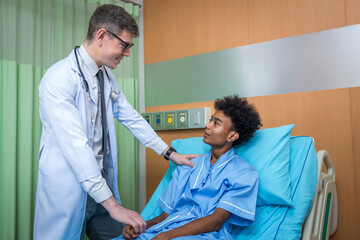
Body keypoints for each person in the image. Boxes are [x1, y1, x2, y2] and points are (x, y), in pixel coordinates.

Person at [33, 4, 199, 240]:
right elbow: (77, 147)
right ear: (101, 35)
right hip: (69, 186)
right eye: (124, 45)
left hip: (100, 185)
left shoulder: (106, 76)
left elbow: (130, 117)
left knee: (116, 236)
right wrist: (114, 206)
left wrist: (170, 153)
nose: (128, 53)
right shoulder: (59, 79)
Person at [122, 95, 262, 240]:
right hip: (166, 230)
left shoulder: (244, 173)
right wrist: (140, 226)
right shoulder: (187, 167)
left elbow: (216, 221)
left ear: (232, 136)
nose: (207, 125)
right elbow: (165, 216)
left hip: (208, 235)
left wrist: (167, 236)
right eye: (210, 121)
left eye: (216, 123)